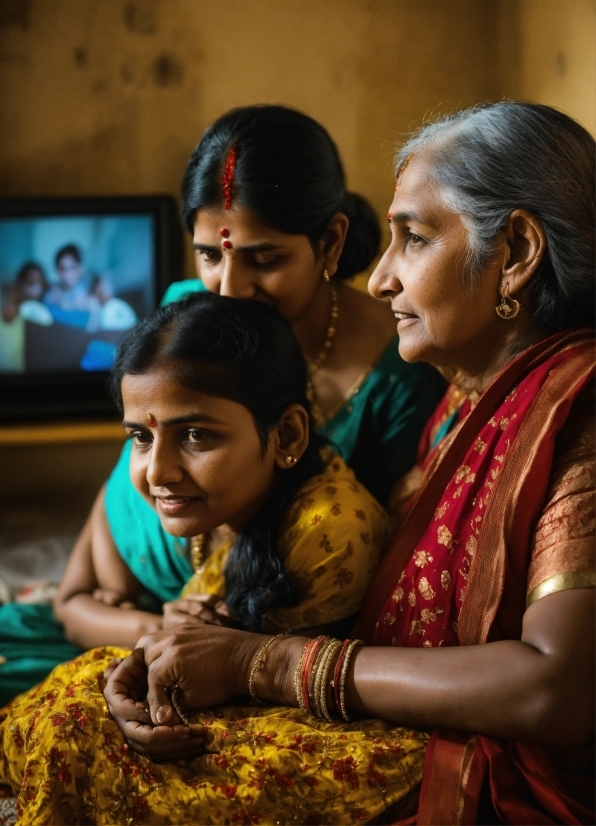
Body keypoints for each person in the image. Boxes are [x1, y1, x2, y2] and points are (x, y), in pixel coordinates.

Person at [2, 101, 591, 826]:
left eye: (412, 238)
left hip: (457, 748)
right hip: (330, 662)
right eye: (211, 255)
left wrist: (262, 663)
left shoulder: (572, 412)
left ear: (519, 253)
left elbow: (557, 691)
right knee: (72, 704)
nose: (380, 280)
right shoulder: (471, 397)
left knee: (76, 732)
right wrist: (201, 635)